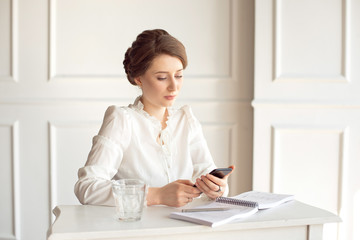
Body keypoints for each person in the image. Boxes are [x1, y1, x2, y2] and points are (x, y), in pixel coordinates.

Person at [74, 29, 234, 207]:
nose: (174, 86)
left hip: (184, 228)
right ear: (138, 79)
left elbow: (209, 174)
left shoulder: (186, 120)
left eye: (179, 75)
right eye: (162, 77)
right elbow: (87, 187)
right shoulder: (122, 120)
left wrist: (218, 189)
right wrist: (157, 195)